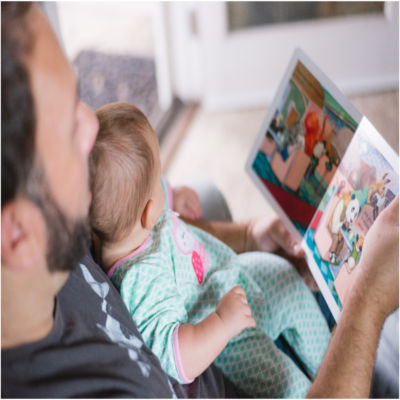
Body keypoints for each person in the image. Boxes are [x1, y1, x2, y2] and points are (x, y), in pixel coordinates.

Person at [1, 2, 398, 398]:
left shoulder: (69, 218)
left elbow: (157, 232)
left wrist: (246, 234)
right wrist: (369, 300)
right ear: (18, 233)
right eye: (68, 125)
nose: (91, 122)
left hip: (237, 286)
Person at [90, 101, 331, 397]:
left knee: (286, 277)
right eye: (159, 180)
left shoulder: (127, 222)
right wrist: (222, 323)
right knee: (287, 386)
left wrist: (172, 193)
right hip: (226, 337)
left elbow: (139, 191)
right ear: (149, 212)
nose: (163, 184)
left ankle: (331, 366)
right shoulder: (140, 281)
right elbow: (177, 356)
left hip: (227, 277)